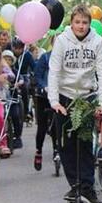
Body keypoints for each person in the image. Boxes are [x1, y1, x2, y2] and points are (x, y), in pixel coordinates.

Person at [48, 4, 102, 203]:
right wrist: (54, 101)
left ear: (90, 24)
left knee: (84, 144)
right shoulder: (62, 41)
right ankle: (74, 185)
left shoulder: (98, 42)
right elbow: (54, 71)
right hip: (65, 96)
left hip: (87, 96)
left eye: (84, 23)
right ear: (71, 23)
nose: (81, 26)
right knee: (65, 144)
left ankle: (87, 188)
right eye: (77, 22)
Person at [32, 35, 58, 171]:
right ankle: (38, 151)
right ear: (52, 43)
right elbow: (37, 75)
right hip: (44, 96)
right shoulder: (45, 58)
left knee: (57, 126)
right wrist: (44, 86)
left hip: (59, 96)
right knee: (42, 126)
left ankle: (56, 151)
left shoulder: (67, 59)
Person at [9, 38, 34, 147]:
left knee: (25, 87)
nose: (18, 51)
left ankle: (26, 110)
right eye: (16, 48)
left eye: (20, 48)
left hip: (23, 76)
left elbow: (34, 66)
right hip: (10, 74)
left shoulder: (27, 55)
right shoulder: (9, 54)